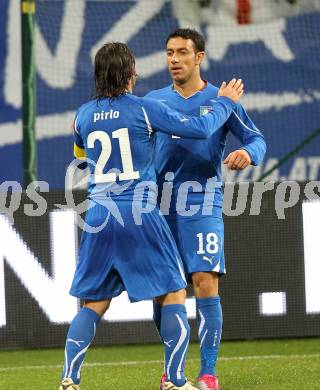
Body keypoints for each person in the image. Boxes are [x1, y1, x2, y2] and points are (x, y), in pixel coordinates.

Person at [59, 42, 244, 390]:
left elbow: (82, 154)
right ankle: (175, 381)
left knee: (93, 303)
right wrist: (225, 103)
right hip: (140, 209)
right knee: (174, 293)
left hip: (98, 212)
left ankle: (69, 379)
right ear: (131, 73)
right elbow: (202, 129)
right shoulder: (145, 108)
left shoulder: (81, 116)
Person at [146, 28, 266, 390]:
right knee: (166, 289)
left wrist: (249, 153)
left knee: (205, 284)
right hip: (161, 205)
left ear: (199, 57)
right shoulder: (153, 101)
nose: (174, 60)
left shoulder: (220, 99)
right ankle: (173, 370)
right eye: (169, 52)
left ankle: (209, 374)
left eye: (182, 52)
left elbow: (256, 138)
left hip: (203, 203)